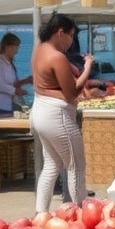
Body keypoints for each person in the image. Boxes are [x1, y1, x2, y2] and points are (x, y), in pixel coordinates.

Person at [30, 13, 93, 212]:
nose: (71, 41)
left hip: (39, 110)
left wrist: (71, 69)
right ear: (60, 33)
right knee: (76, 166)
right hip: (57, 116)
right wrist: (88, 67)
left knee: (51, 165)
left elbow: (44, 84)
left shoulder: (39, 48)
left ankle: (41, 213)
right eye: (71, 35)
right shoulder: (57, 57)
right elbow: (72, 92)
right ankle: (81, 213)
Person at [0, 33, 32, 117]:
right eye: (16, 47)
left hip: (5, 105)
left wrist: (26, 81)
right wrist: (16, 91)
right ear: (7, 46)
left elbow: (12, 84)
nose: (17, 51)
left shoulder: (8, 64)